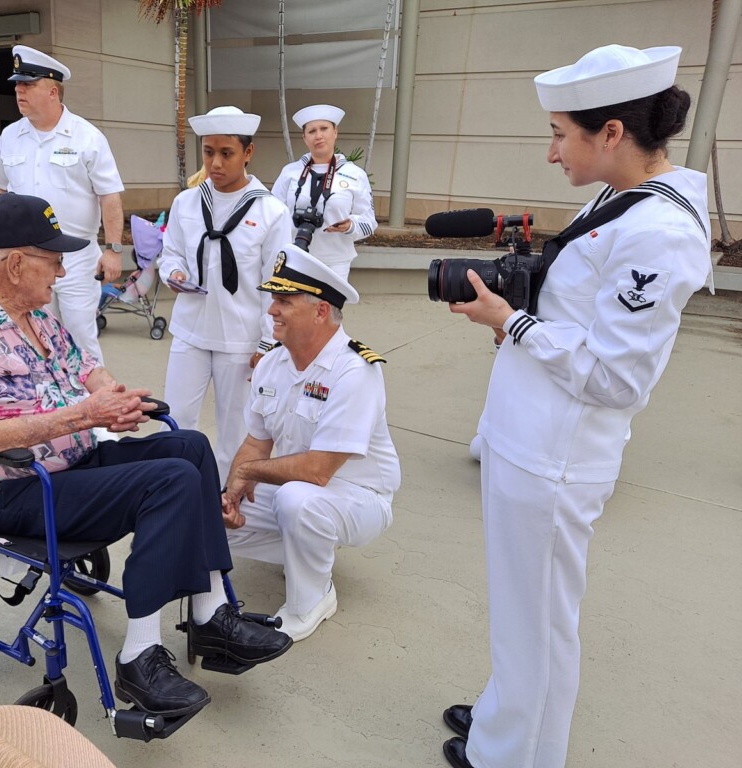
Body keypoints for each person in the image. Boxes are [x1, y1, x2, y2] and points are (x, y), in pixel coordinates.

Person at [439, 45, 711, 768]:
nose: (552, 150)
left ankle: (519, 755)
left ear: (613, 132)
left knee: (540, 626)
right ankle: (506, 717)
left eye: (562, 132)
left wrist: (511, 322)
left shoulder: (660, 232)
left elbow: (620, 379)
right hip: (526, 436)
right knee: (519, 616)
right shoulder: (616, 199)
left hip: (556, 459)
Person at [0, 192, 292, 718]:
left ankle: (210, 615)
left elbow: (87, 372)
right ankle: (139, 656)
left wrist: (116, 399)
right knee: (170, 482)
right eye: (53, 260)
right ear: (17, 262)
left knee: (190, 446)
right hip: (19, 490)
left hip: (75, 464)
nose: (63, 270)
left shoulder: (40, 317)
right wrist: (84, 416)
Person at [222, 244, 401, 641]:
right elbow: (256, 442)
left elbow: (318, 471)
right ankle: (305, 554)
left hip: (360, 497)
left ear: (321, 311)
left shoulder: (355, 371)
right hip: (303, 488)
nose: (271, 310)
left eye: (284, 301)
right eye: (272, 299)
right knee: (211, 513)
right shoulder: (272, 362)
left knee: (297, 501)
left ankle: (312, 598)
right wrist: (232, 492)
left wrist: (248, 472)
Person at [157, 106, 292, 481]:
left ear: (248, 153)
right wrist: (174, 272)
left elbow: (275, 285)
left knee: (235, 428)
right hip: (191, 329)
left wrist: (268, 344)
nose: (215, 163)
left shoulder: (271, 212)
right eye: (208, 152)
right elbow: (170, 253)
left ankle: (226, 497)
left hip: (241, 336)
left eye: (226, 153)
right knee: (175, 417)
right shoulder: (187, 202)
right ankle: (172, 486)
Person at [0, 45, 125, 364]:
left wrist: (114, 249)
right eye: (17, 84)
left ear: (52, 91)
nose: (19, 90)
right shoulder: (10, 136)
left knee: (80, 335)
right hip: (28, 256)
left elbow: (109, 195)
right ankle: (51, 406)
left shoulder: (87, 137)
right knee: (34, 333)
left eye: (27, 84)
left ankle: (93, 408)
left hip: (77, 256)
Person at [271, 105, 377, 280]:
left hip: (335, 262)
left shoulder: (355, 175)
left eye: (324, 129)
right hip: (294, 257)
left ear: (335, 132)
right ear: (304, 138)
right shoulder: (290, 172)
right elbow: (272, 213)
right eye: (312, 131)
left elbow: (369, 222)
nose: (318, 136)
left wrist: (350, 226)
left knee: (328, 308)